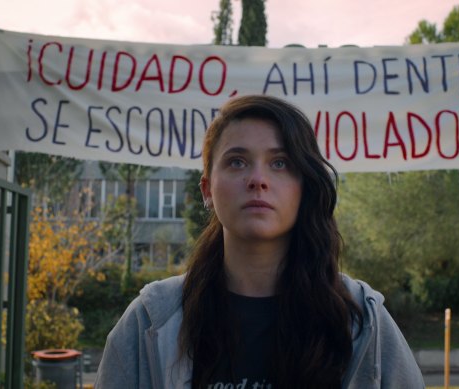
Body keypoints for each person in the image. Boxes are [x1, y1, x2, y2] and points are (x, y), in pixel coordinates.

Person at [94, 95, 425, 389]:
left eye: (280, 163)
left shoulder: (363, 321)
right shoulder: (149, 322)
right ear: (207, 189)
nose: (258, 180)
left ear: (305, 186)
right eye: (237, 161)